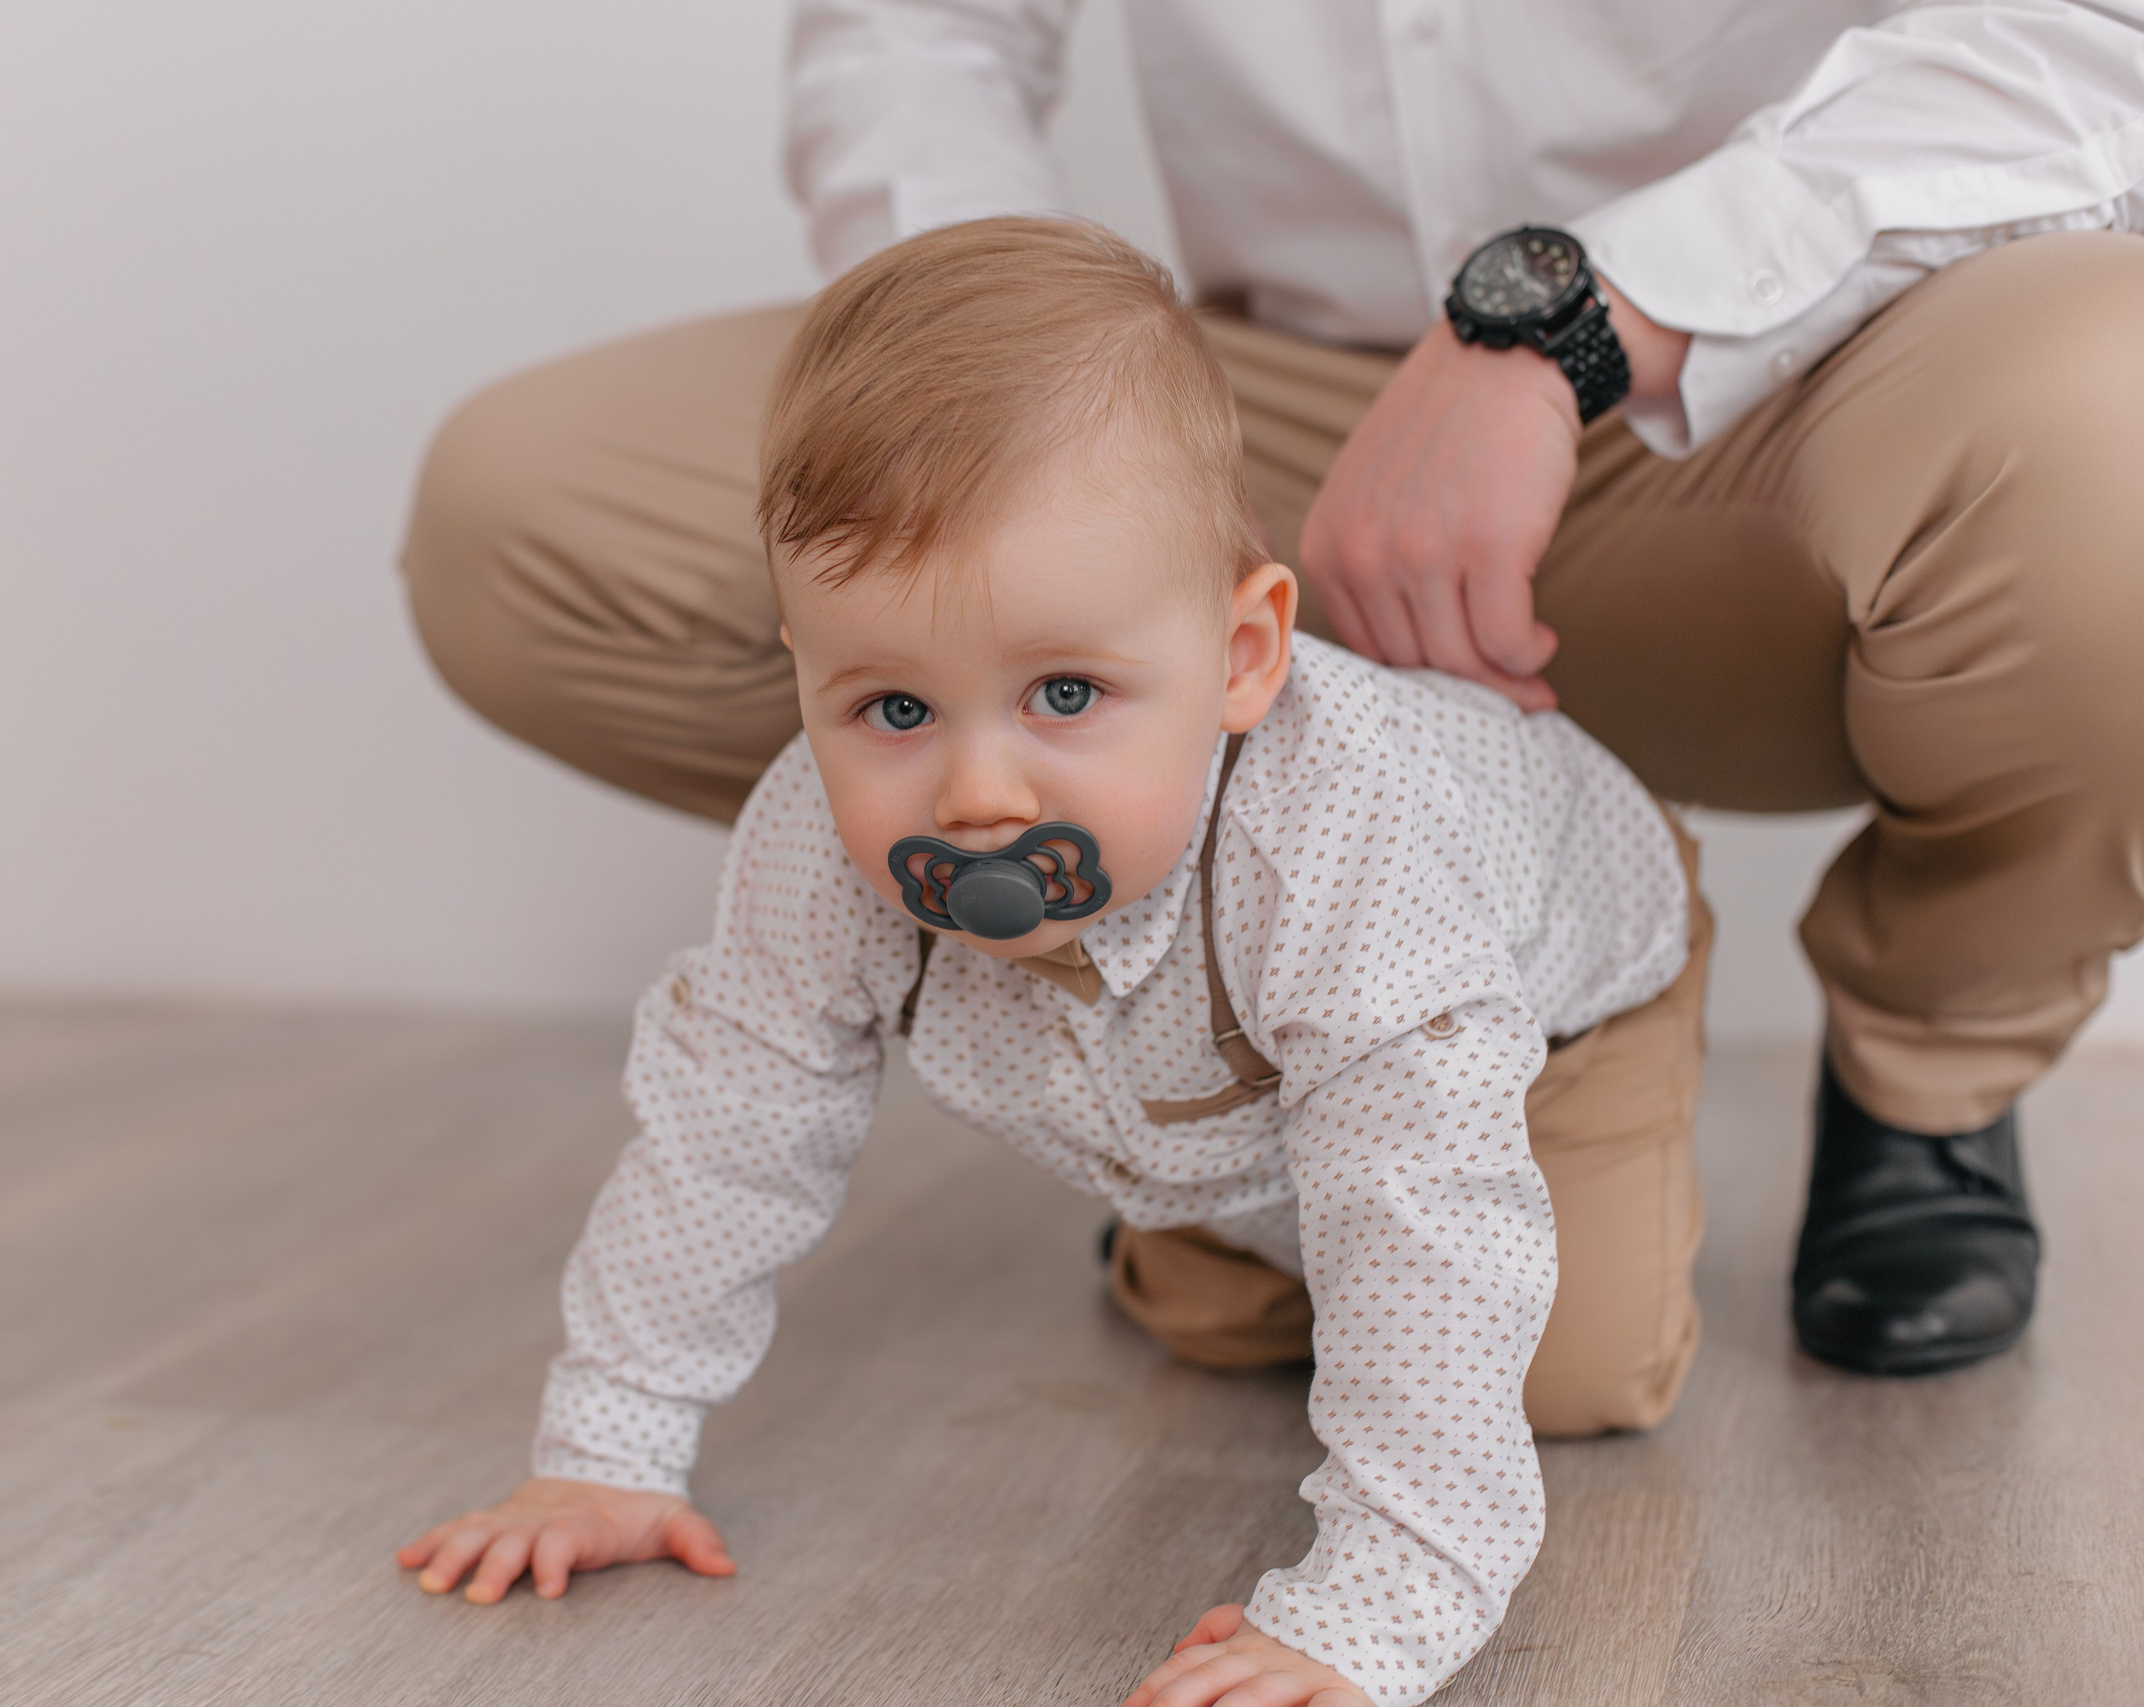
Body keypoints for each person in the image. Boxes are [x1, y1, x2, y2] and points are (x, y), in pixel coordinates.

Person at [404, 0, 2144, 1377]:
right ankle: (1199, 1056)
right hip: (1271, 402)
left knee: (2117, 437)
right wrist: (1058, 451)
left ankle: (1932, 1076)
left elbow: (2086, 32)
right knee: (519, 519)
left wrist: (1571, 321)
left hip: (1777, 396)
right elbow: (917, 27)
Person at [399, 218, 1714, 1707]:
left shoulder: (1346, 850)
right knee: (1229, 1327)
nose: (976, 797)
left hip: (1557, 998)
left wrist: (1376, 1611)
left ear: (1242, 654)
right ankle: (1211, 1203)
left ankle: (1328, 1199)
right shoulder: (811, 843)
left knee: (1563, 1367)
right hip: (1232, 1070)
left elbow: (1428, 1217)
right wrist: (607, 1450)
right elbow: (727, 1135)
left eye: (1065, 692)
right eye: (891, 707)